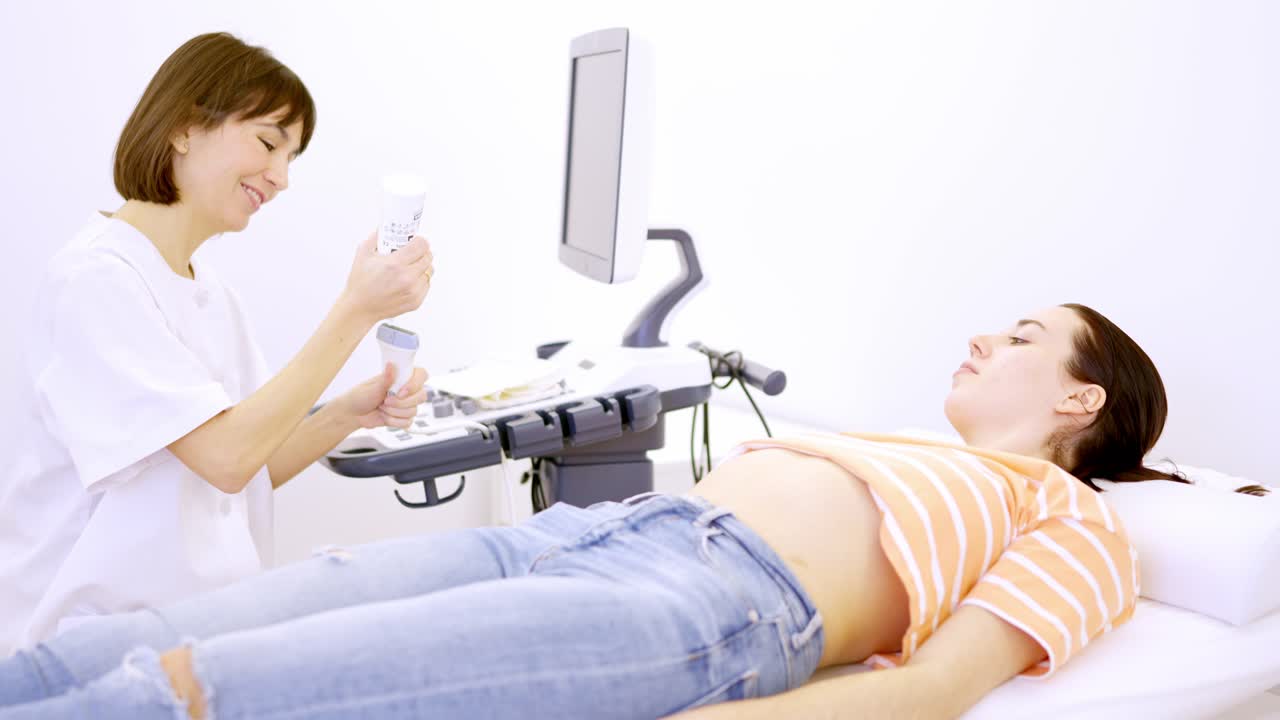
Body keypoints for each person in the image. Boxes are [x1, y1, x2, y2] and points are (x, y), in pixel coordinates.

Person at [5, 302, 1254, 720]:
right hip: (574, 540)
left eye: (1022, 335)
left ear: (1080, 395)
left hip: (701, 603)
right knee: (117, 644)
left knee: (197, 683)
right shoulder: (908, 442)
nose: (984, 336)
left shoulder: (1080, 524)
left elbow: (925, 693)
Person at [0, 32, 434, 655]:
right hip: (95, 654)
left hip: (198, 636)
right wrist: (357, 308)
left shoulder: (213, 297)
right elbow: (227, 459)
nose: (281, 178)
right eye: (267, 143)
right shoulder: (95, 282)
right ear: (184, 126)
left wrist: (350, 412)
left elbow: (250, 464)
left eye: (293, 159)